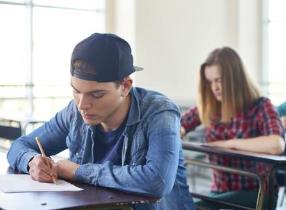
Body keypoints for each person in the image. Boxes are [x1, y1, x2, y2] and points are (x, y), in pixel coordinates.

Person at [7, 33, 196, 210]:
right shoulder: (74, 112)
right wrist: (32, 161)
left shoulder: (160, 112)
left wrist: (77, 171)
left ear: (125, 86)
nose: (82, 105)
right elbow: (20, 145)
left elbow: (157, 182)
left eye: (96, 94)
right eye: (76, 91)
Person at [181, 46, 285, 209]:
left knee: (195, 207)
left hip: (257, 194)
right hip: (218, 193)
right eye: (210, 82)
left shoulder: (261, 106)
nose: (214, 87)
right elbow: (178, 125)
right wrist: (175, 132)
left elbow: (276, 144)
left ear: (235, 78)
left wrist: (228, 144)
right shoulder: (211, 107)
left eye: (219, 80)